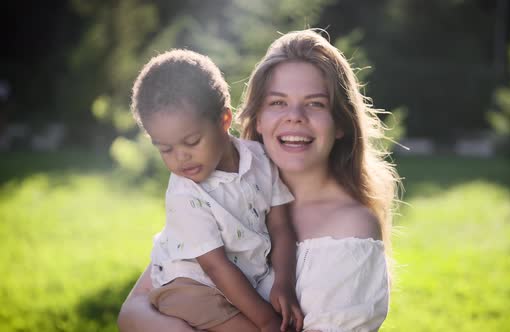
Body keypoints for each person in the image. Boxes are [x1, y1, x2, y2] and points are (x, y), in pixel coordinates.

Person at [118, 29, 401, 332]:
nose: (294, 116)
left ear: (341, 123)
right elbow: (134, 309)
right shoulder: (220, 189)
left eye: (315, 103)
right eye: (278, 103)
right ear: (258, 117)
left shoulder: (349, 229)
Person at [123, 49, 303, 332]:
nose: (180, 157)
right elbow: (215, 266)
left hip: (242, 279)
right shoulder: (185, 193)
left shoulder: (260, 159)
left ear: (224, 120)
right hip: (190, 286)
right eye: (165, 149)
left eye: (192, 141)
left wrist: (284, 283)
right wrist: (267, 321)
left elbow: (280, 225)